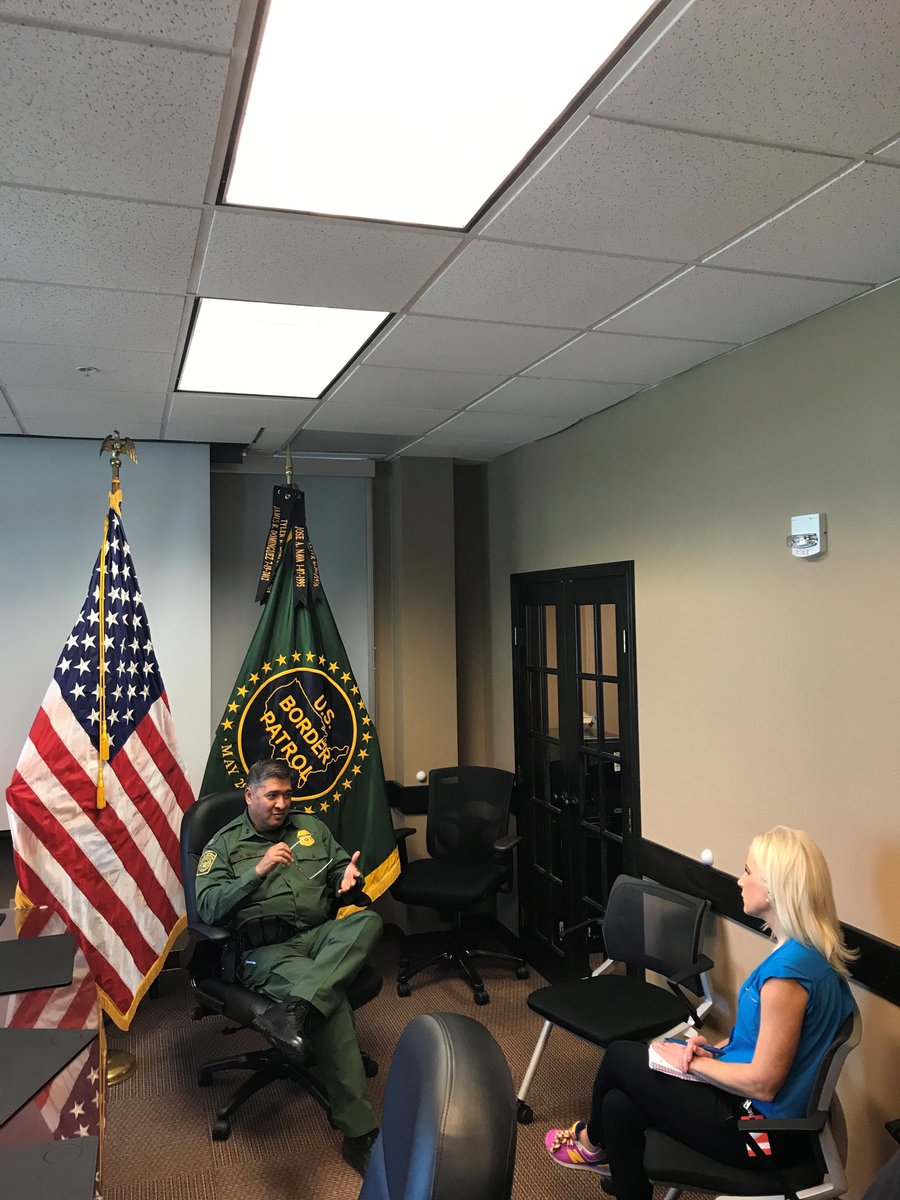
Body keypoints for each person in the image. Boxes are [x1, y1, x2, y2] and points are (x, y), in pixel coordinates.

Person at [544, 827, 855, 1200]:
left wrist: (693, 1065)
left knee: (620, 1055)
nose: (740, 880)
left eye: (748, 871)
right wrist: (713, 1051)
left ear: (773, 889)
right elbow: (763, 1045)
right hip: (759, 1112)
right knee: (618, 1107)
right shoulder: (809, 953)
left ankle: (591, 1143)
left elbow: (764, 1084)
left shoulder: (786, 978)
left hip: (760, 1133)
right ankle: (602, 1149)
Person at [195, 758, 382, 1177]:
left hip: (318, 937)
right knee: (330, 1005)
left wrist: (347, 880)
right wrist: (257, 871)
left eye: (286, 795)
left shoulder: (310, 828)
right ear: (249, 795)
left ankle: (293, 1010)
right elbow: (206, 907)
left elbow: (338, 869)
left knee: (368, 921)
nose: (281, 804)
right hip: (265, 951)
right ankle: (359, 1134)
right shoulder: (223, 845)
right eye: (271, 795)